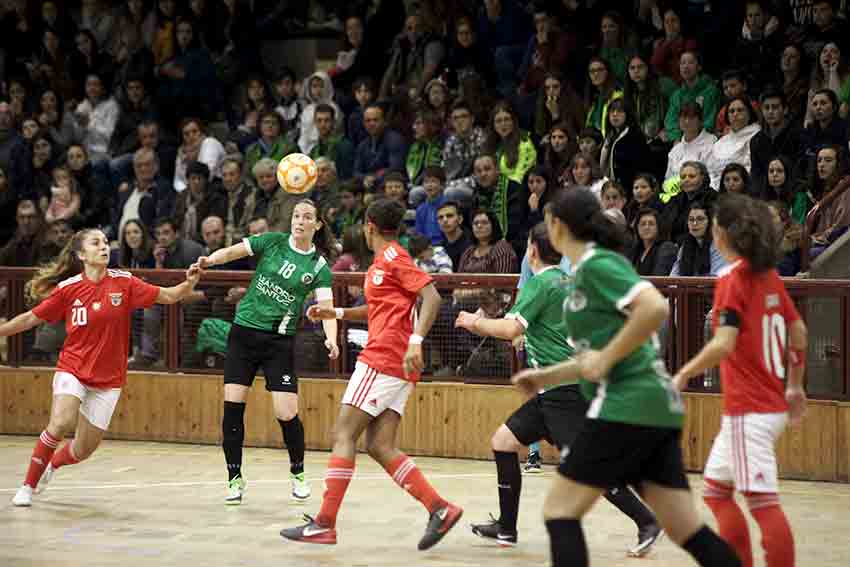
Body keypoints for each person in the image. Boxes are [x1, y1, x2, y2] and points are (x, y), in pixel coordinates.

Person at [510, 187, 742, 567]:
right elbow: (593, 356)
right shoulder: (582, 274)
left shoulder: (598, 264)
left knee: (560, 510)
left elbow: (654, 306)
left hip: (626, 404)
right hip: (653, 408)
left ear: (558, 226)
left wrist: (606, 358)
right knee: (686, 529)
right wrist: (545, 375)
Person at [455, 223, 662, 556]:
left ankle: (647, 521)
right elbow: (536, 324)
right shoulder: (567, 282)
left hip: (564, 392)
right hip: (556, 390)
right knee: (503, 442)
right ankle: (507, 528)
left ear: (532, 251)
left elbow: (511, 329)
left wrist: (472, 321)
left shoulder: (541, 282)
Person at [280, 198, 463, 550]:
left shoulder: (393, 256)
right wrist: (337, 313)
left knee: (343, 432)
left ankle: (324, 523)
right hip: (396, 362)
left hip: (385, 357)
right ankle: (439, 509)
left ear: (368, 226)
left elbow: (433, 297)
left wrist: (416, 342)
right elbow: (380, 308)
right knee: (379, 446)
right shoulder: (384, 261)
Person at [9, 228, 201, 507]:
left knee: (83, 450)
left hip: (108, 379)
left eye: (105, 242)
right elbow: (29, 319)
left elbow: (169, 297)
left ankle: (52, 466)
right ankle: (28, 484)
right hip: (73, 368)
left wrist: (189, 283)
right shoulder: (69, 288)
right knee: (61, 421)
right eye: (95, 243)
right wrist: (3, 330)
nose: (104, 247)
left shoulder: (124, 282)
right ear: (80, 255)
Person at [672, 193, 807, 567]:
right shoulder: (768, 277)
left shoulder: (732, 279)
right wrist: (794, 384)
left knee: (763, 504)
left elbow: (724, 343)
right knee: (716, 492)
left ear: (720, 233)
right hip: (759, 406)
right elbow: (798, 331)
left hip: (751, 410)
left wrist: (683, 372)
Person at [194, 199, 339, 505]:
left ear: (317, 225)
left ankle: (298, 474)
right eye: (297, 215)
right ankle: (234, 479)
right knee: (233, 408)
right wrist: (210, 260)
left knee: (286, 412)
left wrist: (331, 339)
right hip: (243, 334)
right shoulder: (272, 242)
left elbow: (326, 308)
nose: (300, 221)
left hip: (278, 341)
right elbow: (234, 251)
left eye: (307, 217)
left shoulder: (318, 267)